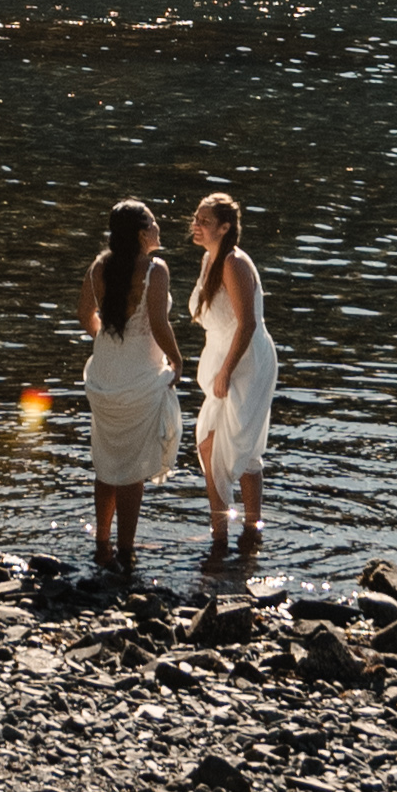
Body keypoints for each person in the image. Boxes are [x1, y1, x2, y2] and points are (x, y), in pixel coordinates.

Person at [78, 197, 183, 577]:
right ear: (142, 234)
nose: (159, 229)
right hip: (138, 375)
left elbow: (83, 314)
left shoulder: (99, 267)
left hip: (105, 372)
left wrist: (106, 338)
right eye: (154, 224)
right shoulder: (155, 270)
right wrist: (178, 360)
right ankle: (126, 551)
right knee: (134, 466)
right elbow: (158, 323)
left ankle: (101, 544)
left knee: (107, 461)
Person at [188, 189, 277, 560]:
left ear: (225, 228)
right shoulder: (211, 260)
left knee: (223, 444)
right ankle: (238, 534)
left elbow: (248, 324)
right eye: (195, 218)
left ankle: (233, 532)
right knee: (224, 446)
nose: (195, 225)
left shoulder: (234, 263)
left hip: (246, 361)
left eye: (204, 221)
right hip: (224, 356)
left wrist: (226, 371)